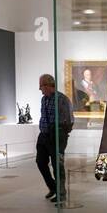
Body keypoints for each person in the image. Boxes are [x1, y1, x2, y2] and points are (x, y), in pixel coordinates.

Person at [36, 74, 74, 202]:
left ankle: (61, 193)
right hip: (43, 135)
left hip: (57, 136)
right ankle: (53, 187)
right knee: (40, 162)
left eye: (41, 86)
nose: (40, 89)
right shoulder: (44, 99)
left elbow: (69, 120)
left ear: (47, 85)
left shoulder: (62, 99)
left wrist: (60, 133)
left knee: (57, 164)